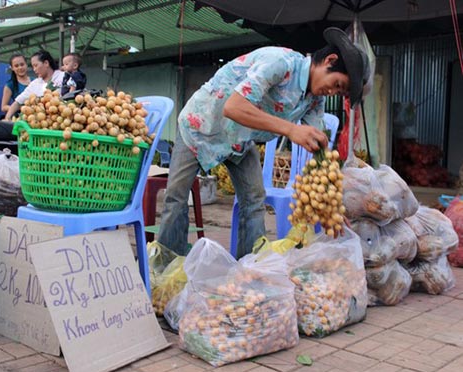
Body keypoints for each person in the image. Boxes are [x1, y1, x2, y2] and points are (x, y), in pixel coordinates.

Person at [157, 27, 371, 259]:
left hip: (240, 139)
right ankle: (167, 265)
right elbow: (234, 107)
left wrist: (332, 205)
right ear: (329, 60)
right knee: (176, 198)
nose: (332, 92)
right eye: (337, 84)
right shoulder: (280, 63)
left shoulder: (315, 99)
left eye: (339, 92)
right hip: (201, 126)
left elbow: (319, 149)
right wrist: (290, 129)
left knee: (254, 200)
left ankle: (248, 268)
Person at [4, 50, 64, 120]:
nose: (34, 69)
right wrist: (7, 118)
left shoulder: (63, 76)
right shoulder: (35, 84)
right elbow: (18, 102)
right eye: (33, 67)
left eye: (36, 65)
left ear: (46, 63)